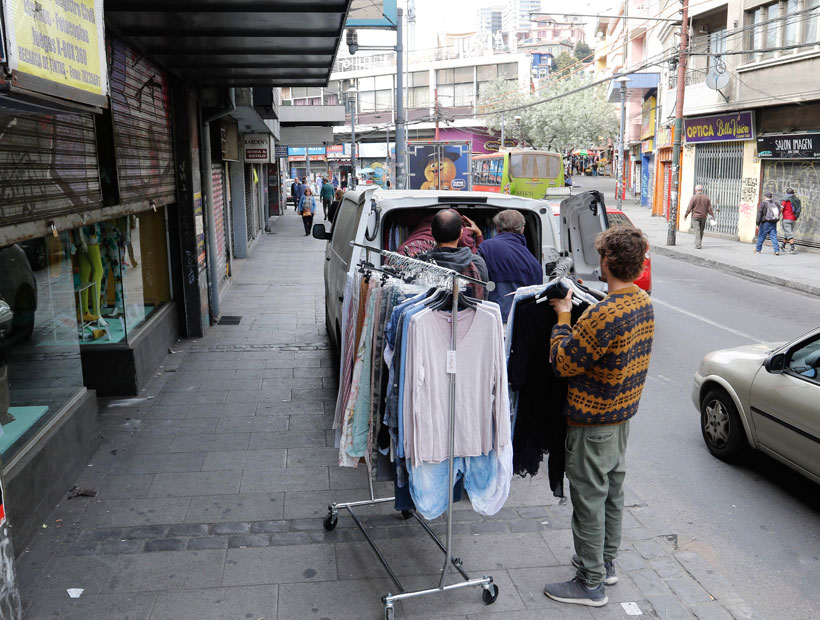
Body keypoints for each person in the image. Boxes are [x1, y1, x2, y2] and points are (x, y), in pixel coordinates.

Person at [543, 227, 655, 608]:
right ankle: (605, 563)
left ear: (607, 262)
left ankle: (590, 583)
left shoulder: (602, 314)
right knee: (611, 494)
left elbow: (563, 363)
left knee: (589, 500)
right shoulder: (642, 301)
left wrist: (562, 318)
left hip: (593, 423)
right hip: (621, 418)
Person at [477, 210, 543, 321]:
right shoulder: (533, 262)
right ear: (522, 229)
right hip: (520, 322)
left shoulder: (486, 247)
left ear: (497, 228)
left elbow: (476, 282)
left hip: (493, 319)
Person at [417, 209, 488, 297]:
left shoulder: (419, 265)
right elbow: (484, 296)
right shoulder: (477, 263)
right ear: (461, 233)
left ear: (431, 232)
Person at [683, 184, 715, 249]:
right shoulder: (706, 197)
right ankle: (698, 242)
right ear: (701, 190)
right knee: (701, 230)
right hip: (703, 216)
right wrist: (712, 216)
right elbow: (709, 209)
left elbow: (689, 207)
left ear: (695, 190)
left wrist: (686, 215)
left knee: (697, 230)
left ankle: (698, 244)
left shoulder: (693, 197)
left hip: (695, 217)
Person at [779, 188, 801, 253]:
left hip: (786, 219)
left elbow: (781, 209)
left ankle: (792, 248)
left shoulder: (785, 200)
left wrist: (777, 216)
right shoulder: (796, 200)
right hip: (793, 219)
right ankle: (783, 246)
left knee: (789, 233)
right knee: (787, 232)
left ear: (786, 193)